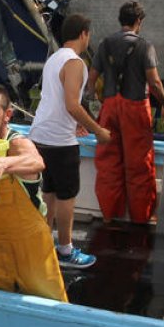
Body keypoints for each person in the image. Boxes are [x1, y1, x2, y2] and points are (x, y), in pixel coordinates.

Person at [0, 83, 68, 301]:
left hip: (30, 243)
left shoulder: (17, 143)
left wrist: (2, 164)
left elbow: (36, 161)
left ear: (7, 115)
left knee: (50, 304)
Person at [29, 14, 110, 269]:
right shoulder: (75, 63)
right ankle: (65, 250)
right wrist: (97, 130)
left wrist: (75, 124)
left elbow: (54, 98)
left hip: (40, 135)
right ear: (84, 33)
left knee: (49, 193)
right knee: (67, 196)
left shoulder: (54, 58)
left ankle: (43, 244)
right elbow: (72, 104)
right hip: (60, 142)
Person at [89, 1, 164, 224]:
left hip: (110, 107)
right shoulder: (145, 46)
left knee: (108, 165)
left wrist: (95, 102)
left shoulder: (105, 44)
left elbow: (92, 79)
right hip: (135, 108)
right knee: (139, 165)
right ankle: (141, 218)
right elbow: (154, 82)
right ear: (138, 22)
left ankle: (109, 215)